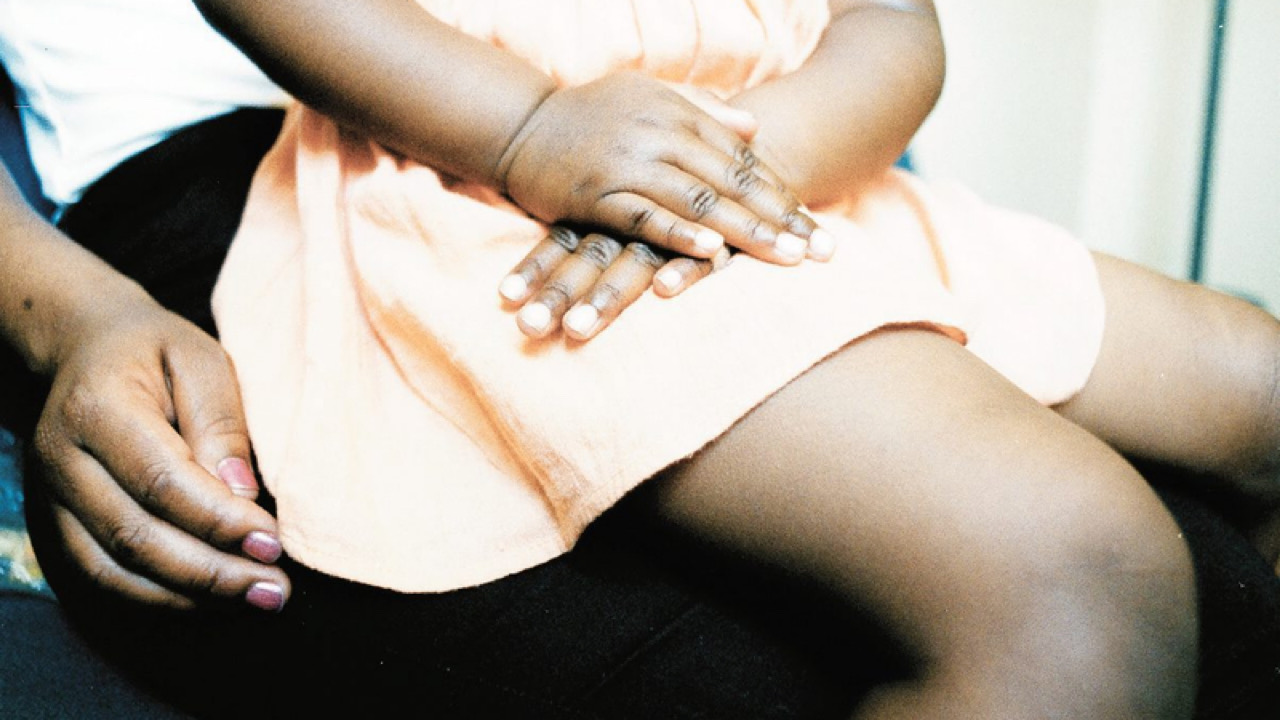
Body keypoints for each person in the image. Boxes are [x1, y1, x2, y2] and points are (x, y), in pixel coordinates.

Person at [1, 1, 1277, 718]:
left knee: (1253, 397)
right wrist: (528, 131)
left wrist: (746, 163)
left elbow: (891, 23)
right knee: (1077, 574)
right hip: (442, 169)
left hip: (778, 157)